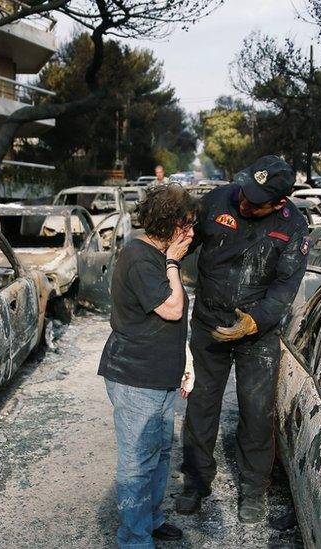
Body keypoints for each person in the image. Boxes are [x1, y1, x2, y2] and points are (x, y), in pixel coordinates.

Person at [176, 155, 309, 523]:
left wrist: (253, 323)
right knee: (201, 406)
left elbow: (285, 289)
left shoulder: (294, 226)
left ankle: (253, 490)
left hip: (257, 335)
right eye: (246, 192)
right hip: (208, 325)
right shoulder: (218, 200)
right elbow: (183, 244)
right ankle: (196, 483)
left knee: (256, 412)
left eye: (256, 200)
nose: (245, 202)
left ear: (280, 202)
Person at [98, 185, 198, 548]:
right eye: (185, 225)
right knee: (138, 462)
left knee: (160, 454)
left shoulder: (157, 254)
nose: (191, 232)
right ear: (166, 224)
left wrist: (184, 360)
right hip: (135, 377)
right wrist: (173, 262)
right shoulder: (142, 258)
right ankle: (134, 539)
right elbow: (172, 309)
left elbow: (172, 326)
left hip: (161, 376)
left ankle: (151, 521)